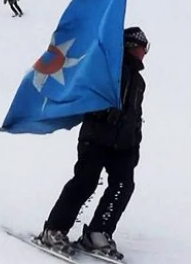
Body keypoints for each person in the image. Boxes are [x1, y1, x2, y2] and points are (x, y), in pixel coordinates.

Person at [38, 26, 149, 259]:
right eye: (142, 47)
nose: (144, 53)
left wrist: (135, 143)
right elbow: (88, 95)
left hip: (123, 144)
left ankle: (98, 233)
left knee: (123, 186)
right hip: (96, 137)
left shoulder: (138, 81)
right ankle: (54, 230)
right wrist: (103, 113)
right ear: (129, 47)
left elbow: (135, 116)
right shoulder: (108, 69)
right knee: (85, 182)